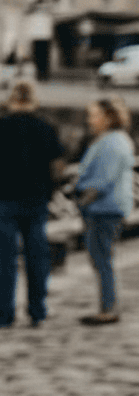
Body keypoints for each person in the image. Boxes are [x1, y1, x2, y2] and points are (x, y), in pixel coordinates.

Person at [0, 77, 65, 328]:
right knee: (36, 256)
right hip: (37, 199)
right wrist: (50, 186)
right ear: (34, 101)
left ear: (11, 100)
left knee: (5, 258)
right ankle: (37, 309)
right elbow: (58, 166)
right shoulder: (46, 127)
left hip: (5, 198)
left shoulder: (0, 126)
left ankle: (5, 313)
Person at [75, 95, 131, 326]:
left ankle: (108, 307)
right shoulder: (115, 140)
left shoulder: (111, 143)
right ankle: (108, 305)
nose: (90, 120)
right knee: (101, 257)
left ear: (108, 117)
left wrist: (83, 201)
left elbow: (102, 180)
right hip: (108, 206)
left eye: (94, 115)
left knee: (101, 257)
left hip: (103, 208)